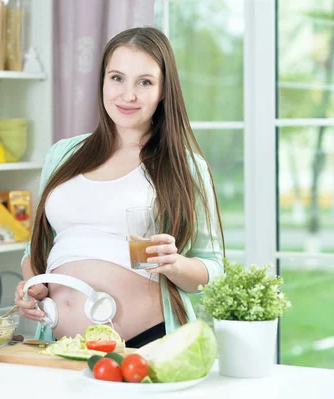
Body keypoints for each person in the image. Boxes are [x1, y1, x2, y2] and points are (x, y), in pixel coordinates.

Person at [13, 27, 225, 348]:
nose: (128, 95)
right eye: (117, 78)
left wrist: (175, 264)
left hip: (146, 343)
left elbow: (214, 269)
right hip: (57, 344)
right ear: (102, 81)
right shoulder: (63, 154)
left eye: (145, 82)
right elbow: (35, 249)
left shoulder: (184, 166)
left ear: (164, 90)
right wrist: (34, 284)